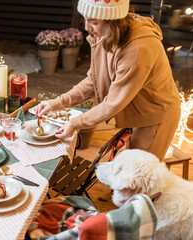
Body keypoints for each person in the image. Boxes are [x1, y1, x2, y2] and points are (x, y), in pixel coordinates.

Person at [35, 0, 181, 161]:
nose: (86, 27)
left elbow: (113, 103)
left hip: (155, 116)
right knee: (130, 172)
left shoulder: (138, 49)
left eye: (93, 21)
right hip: (139, 111)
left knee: (137, 178)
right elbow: (93, 81)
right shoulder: (109, 33)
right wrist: (55, 103)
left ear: (113, 20)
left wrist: (75, 123)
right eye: (85, 19)